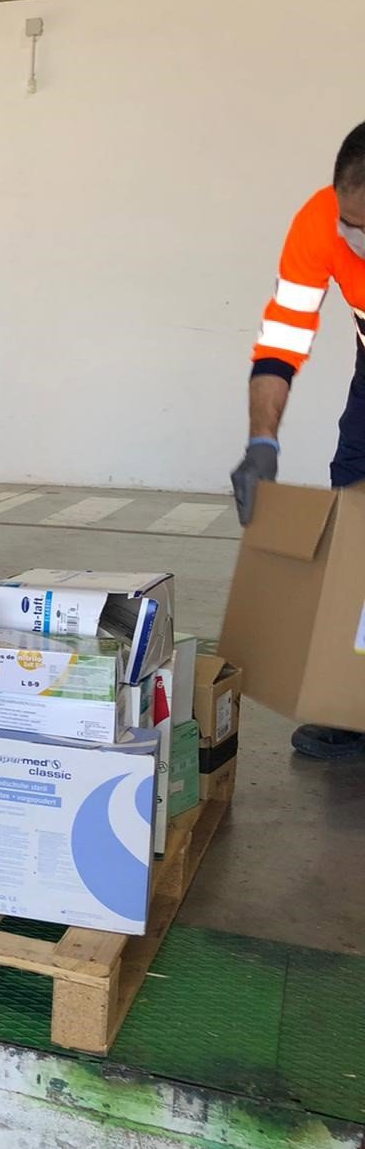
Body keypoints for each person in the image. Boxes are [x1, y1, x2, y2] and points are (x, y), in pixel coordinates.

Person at [231, 120, 365, 763]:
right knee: (356, 510)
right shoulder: (321, 221)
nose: (357, 240)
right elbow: (284, 335)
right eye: (352, 223)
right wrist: (264, 444)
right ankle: (354, 701)